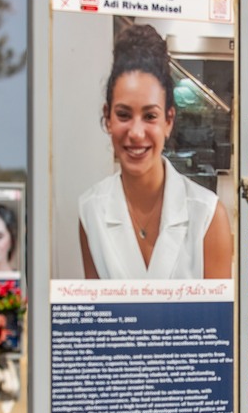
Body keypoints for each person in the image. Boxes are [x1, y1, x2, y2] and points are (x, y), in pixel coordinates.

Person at [79, 24, 232, 280]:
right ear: (108, 118)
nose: (136, 132)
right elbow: (100, 317)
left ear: (168, 121)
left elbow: (219, 320)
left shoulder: (208, 215)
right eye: (124, 115)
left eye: (150, 115)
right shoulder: (91, 210)